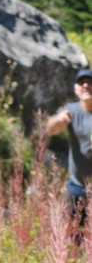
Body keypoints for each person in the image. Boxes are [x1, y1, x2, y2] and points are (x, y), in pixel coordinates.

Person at [44, 67, 92, 238]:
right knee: (73, 234)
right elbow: (50, 129)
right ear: (76, 89)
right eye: (82, 83)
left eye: (90, 83)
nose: (86, 86)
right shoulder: (71, 110)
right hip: (77, 187)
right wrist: (60, 120)